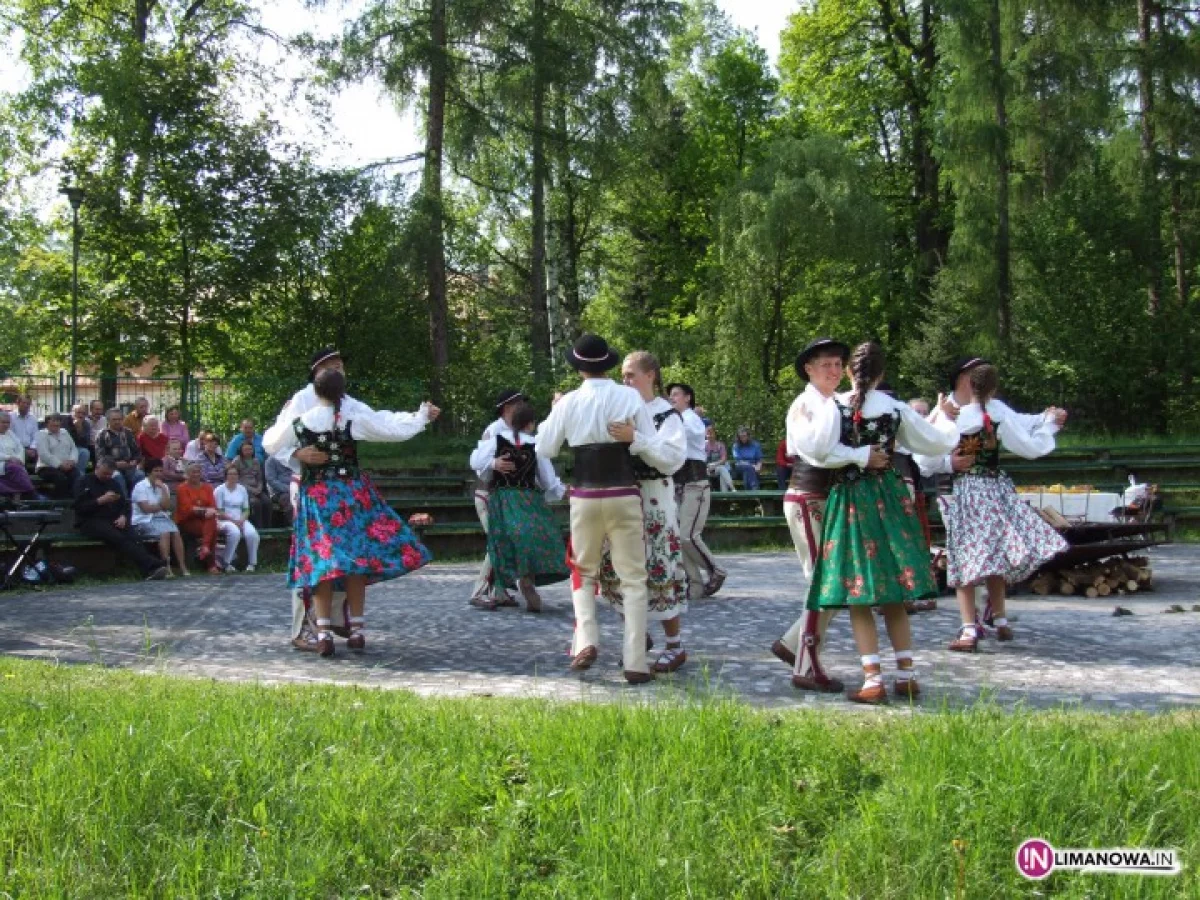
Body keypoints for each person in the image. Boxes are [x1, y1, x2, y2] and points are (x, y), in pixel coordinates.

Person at [803, 341, 958, 703]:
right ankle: (906, 674)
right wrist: (946, 417)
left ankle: (872, 679)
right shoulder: (895, 408)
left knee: (860, 591)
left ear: (848, 372)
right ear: (882, 373)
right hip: (889, 499)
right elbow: (934, 443)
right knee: (893, 590)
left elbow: (817, 452)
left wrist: (855, 457)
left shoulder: (834, 407)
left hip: (851, 498)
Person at [264, 365, 439, 656]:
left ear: (315, 391)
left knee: (322, 564)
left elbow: (269, 443)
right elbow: (391, 430)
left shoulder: (299, 421)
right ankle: (356, 630)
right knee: (357, 559)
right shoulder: (351, 419)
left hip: (317, 497)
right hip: (350, 494)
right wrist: (420, 416)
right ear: (342, 393)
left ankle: (323, 633)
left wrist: (295, 453)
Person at [917, 359, 1068, 651]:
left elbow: (923, 455)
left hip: (967, 494)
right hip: (994, 488)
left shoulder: (953, 419)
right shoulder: (991, 418)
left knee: (965, 559)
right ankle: (998, 621)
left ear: (969, 384)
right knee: (994, 553)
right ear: (991, 388)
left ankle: (970, 629)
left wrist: (1046, 418)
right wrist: (1048, 426)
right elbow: (1031, 446)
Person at [536, 333, 658, 684]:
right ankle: (636, 661)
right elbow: (645, 445)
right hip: (623, 490)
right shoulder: (629, 396)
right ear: (608, 364)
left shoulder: (569, 402)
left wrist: (556, 410)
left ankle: (586, 638)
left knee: (583, 569)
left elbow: (544, 447)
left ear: (578, 368)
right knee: (633, 577)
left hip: (585, 495)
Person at [770, 338, 853, 690]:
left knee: (836, 583)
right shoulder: (806, 404)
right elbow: (819, 452)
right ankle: (805, 665)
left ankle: (792, 645)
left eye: (838, 365)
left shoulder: (834, 402)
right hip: (807, 497)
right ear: (809, 369)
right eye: (825, 365)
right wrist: (861, 455)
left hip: (824, 498)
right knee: (823, 583)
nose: (833, 371)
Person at [603, 352, 689, 673]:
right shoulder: (619, 410)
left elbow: (671, 458)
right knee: (616, 566)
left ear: (650, 375)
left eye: (630, 375)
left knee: (659, 563)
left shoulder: (665, 414)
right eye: (623, 376)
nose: (625, 381)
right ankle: (637, 635)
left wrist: (635, 438)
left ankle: (675, 645)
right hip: (622, 497)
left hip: (654, 497)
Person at [479, 401, 569, 611]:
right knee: (534, 536)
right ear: (530, 424)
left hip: (503, 498)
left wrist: (493, 464)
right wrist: (562, 491)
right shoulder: (536, 445)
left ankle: (520, 580)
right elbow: (547, 480)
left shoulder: (496, 442)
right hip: (529, 499)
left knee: (509, 539)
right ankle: (525, 579)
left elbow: (476, 462)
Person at [467, 388, 529, 609]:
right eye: (518, 403)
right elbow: (475, 462)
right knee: (498, 541)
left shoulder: (521, 431)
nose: (523, 406)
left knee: (506, 542)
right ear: (507, 408)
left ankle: (499, 592)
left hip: (507, 498)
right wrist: (494, 464)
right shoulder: (494, 430)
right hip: (488, 493)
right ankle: (479, 591)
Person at [667, 382, 726, 599]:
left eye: (675, 394)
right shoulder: (676, 419)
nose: (671, 398)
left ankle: (716, 570)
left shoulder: (691, 418)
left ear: (687, 398)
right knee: (680, 537)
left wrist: (671, 417)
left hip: (696, 483)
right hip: (680, 484)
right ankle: (695, 585)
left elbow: (688, 434)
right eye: (670, 395)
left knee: (688, 536)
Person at [73, 456, 169, 580]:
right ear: (97, 468)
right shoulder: (83, 481)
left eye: (110, 474)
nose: (107, 477)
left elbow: (124, 503)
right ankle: (153, 565)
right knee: (118, 538)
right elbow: (79, 507)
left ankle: (149, 569)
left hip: (113, 519)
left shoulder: (113, 483)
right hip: (90, 520)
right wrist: (100, 501)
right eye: (104, 473)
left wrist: (123, 516)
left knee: (133, 536)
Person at [131, 458, 189, 577]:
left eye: (160, 471)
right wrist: (160, 506)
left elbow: (166, 506)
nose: (158, 473)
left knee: (176, 532)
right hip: (143, 520)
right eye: (155, 471)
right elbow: (146, 509)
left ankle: (182, 566)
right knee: (164, 533)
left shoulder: (164, 487)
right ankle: (166, 567)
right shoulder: (140, 487)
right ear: (148, 472)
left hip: (161, 518)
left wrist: (162, 490)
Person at [174, 462, 223, 574]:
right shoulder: (182, 488)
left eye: (198, 472)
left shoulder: (207, 487)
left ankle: (205, 548)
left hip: (205, 520)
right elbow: (188, 509)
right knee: (212, 528)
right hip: (187, 521)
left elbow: (213, 506)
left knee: (212, 525)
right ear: (187, 474)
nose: (196, 474)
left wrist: (206, 511)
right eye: (193, 472)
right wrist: (205, 510)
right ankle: (211, 564)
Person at [213, 464, 260, 572]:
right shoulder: (219, 490)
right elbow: (219, 511)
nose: (233, 476)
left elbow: (246, 509)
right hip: (224, 520)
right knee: (234, 532)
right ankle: (226, 562)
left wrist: (242, 520)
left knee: (252, 534)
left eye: (235, 474)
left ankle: (252, 563)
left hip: (240, 518)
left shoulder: (242, 489)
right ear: (226, 476)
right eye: (230, 474)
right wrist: (233, 521)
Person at [94, 408, 144, 495]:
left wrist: (135, 461)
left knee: (140, 475)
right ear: (108, 420)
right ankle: (124, 502)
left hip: (129, 466)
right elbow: (100, 457)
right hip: (111, 468)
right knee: (117, 476)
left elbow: (137, 451)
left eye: (119, 419)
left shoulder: (128, 433)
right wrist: (115, 464)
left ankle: (137, 502)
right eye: (114, 420)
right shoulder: (102, 434)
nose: (117, 422)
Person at [34, 413, 82, 498]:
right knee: (61, 479)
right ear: (47, 423)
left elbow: (73, 448)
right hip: (46, 467)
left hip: (67, 465)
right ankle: (59, 503)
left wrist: (72, 461)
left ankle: (75, 501)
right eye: (52, 421)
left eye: (57, 421)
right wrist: (60, 464)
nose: (55, 424)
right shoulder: (41, 434)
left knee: (77, 476)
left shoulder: (65, 432)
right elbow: (44, 454)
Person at [232, 440, 273, 528]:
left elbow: (259, 478)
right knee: (255, 503)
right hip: (243, 489)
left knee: (267, 502)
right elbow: (236, 479)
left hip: (256, 488)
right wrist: (252, 490)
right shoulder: (237, 461)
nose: (248, 451)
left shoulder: (256, 461)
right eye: (245, 450)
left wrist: (259, 488)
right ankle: (259, 527)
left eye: (250, 449)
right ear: (241, 450)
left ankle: (268, 527)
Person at [0, 411, 40, 499]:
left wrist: (19, 459)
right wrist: (9, 458)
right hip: (2, 463)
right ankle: (32, 494)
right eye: (3, 422)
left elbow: (20, 448)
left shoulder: (10, 434)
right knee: (15, 468)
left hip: (15, 463)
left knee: (17, 468)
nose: (6, 425)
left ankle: (21, 495)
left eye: (8, 422)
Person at [265, 453, 294, 523]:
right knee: (290, 503)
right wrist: (289, 489)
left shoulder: (294, 458)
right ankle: (294, 527)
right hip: (279, 492)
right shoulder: (271, 460)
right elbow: (271, 480)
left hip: (297, 488)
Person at [705, 425, 735, 492]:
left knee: (722, 469)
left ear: (715, 434)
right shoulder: (703, 445)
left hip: (717, 468)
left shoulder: (720, 445)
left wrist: (714, 464)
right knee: (722, 470)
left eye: (711, 433)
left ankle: (725, 493)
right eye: (708, 433)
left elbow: (724, 460)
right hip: (706, 469)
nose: (710, 435)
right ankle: (731, 489)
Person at [65, 403, 93, 469]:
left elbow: (85, 443)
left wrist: (79, 429)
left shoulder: (86, 424)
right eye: (78, 412)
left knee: (85, 452)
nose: (81, 415)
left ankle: (80, 475)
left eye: (83, 413)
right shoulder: (64, 421)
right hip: (62, 447)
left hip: (76, 448)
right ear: (72, 412)